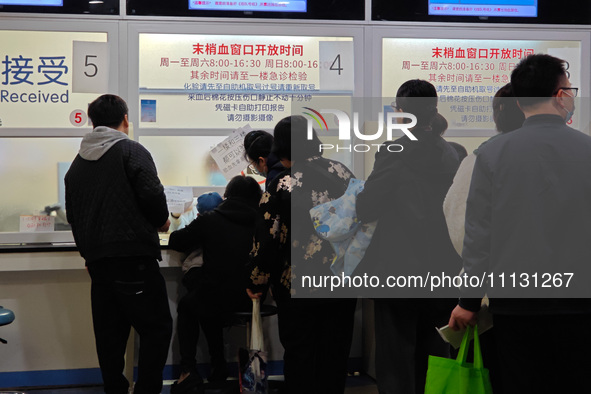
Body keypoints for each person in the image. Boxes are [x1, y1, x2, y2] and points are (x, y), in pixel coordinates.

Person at [449, 54, 591, 393]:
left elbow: (479, 235)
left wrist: (468, 301)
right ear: (560, 95)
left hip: (515, 305)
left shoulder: (491, 154)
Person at [356, 80, 462, 394]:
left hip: (398, 270)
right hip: (444, 269)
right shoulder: (453, 154)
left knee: (396, 357)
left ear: (400, 113)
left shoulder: (393, 151)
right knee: (436, 354)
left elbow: (367, 206)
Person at [65, 94, 172, 394]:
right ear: (125, 119)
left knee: (109, 338)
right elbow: (152, 194)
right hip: (133, 256)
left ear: (92, 122)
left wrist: (89, 255)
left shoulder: (77, 163)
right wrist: (162, 221)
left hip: (99, 264)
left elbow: (73, 215)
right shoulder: (131, 151)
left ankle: (115, 390)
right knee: (156, 329)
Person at [249, 115, 357, 394]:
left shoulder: (282, 183)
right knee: (335, 353)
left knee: (300, 353)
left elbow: (267, 238)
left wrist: (256, 281)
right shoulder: (343, 173)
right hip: (340, 280)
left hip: (298, 283)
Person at [443, 82, 524, 390]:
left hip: (492, 297)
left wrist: (471, 296)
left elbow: (462, 229)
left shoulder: (478, 160)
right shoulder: (564, 154)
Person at [168, 176, 262, 393]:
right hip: (252, 298)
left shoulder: (211, 219)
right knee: (203, 299)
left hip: (215, 295)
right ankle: (219, 366)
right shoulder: (261, 220)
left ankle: (188, 371)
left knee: (189, 304)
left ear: (227, 196)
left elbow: (176, 241)